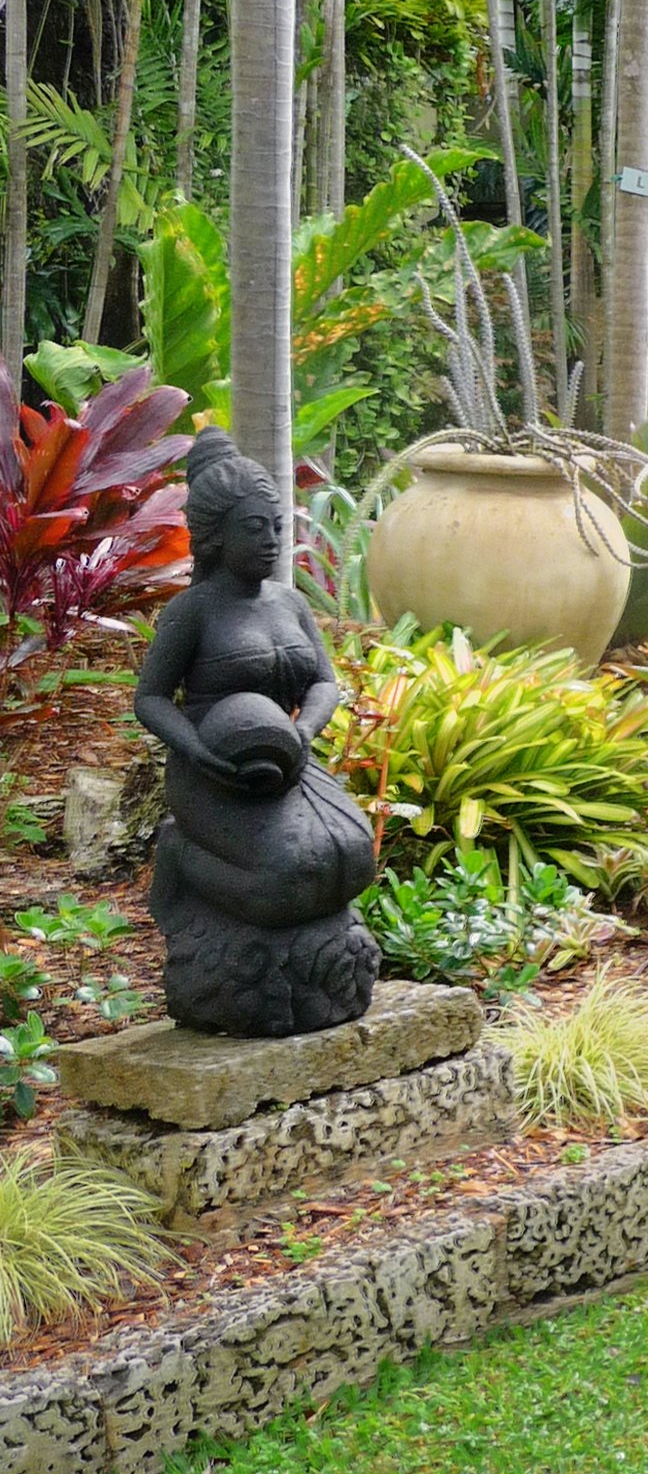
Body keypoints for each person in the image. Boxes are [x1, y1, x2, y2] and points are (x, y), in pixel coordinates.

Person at [132, 431, 379, 1036]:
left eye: (277, 526)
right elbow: (151, 698)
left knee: (352, 857)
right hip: (214, 771)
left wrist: (306, 731)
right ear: (216, 537)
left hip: (289, 759)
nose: (272, 540)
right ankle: (183, 857)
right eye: (255, 528)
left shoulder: (288, 604)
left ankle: (327, 967)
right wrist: (196, 751)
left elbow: (323, 682)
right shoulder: (193, 611)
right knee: (285, 882)